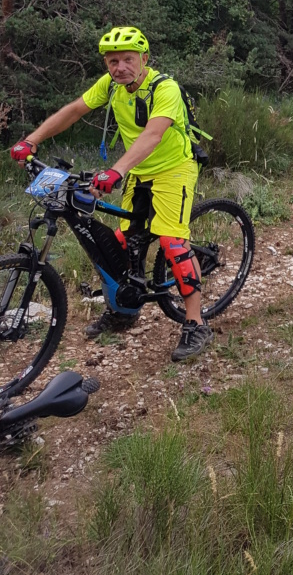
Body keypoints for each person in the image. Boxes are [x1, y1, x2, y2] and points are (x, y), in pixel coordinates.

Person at [9, 25, 214, 362]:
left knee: (172, 242)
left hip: (174, 168)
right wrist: (32, 140)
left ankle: (196, 322)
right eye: (112, 61)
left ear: (144, 59)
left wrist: (116, 170)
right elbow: (75, 110)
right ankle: (124, 310)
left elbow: (152, 135)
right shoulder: (112, 85)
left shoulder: (165, 89)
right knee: (122, 240)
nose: (119, 67)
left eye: (127, 60)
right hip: (140, 169)